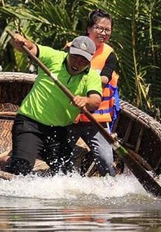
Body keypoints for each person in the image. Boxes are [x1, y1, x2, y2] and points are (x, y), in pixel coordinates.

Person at [7, 34, 103, 175]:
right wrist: (20, 42)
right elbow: (31, 48)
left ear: (89, 61)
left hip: (59, 132)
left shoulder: (92, 76)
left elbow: (95, 101)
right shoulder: (53, 57)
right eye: (75, 57)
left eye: (83, 60)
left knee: (66, 176)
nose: (77, 63)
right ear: (69, 51)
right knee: (21, 168)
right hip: (30, 124)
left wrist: (86, 100)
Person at [67, 9, 120, 176]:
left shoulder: (109, 54)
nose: (103, 33)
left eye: (107, 30)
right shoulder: (72, 48)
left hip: (95, 118)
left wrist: (89, 78)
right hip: (70, 116)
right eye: (99, 28)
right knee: (61, 155)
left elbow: (104, 78)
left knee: (106, 160)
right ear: (89, 28)